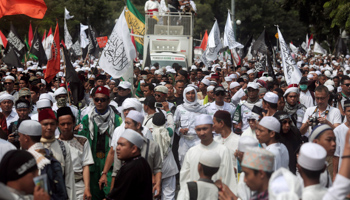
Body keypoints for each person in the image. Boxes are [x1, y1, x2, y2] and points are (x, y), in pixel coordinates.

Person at [78, 86, 122, 200]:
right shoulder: (87, 119)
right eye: (96, 99)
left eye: (102, 100)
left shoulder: (117, 119)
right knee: (93, 194)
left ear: (108, 101)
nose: (99, 102)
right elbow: (82, 141)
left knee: (110, 194)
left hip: (109, 161)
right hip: (92, 162)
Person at [180, 114, 237, 194]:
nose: (202, 133)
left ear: (212, 128)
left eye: (205, 129)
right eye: (198, 130)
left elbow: (230, 179)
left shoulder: (223, 150)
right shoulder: (191, 152)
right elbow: (184, 180)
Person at [110, 110, 162, 198]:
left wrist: (158, 184)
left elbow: (157, 168)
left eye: (128, 123)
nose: (125, 127)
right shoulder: (121, 147)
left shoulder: (153, 146)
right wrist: (112, 193)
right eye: (125, 123)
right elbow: (116, 172)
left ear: (138, 125)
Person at [57, 107, 94, 200]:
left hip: (78, 186)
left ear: (74, 123)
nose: (66, 127)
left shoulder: (83, 141)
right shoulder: (53, 143)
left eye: (69, 123)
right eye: (63, 124)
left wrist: (87, 188)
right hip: (59, 186)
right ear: (58, 125)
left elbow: (85, 166)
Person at [39, 108, 76, 200]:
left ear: (56, 125)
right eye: (45, 124)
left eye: (52, 124)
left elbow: (69, 177)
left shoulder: (63, 146)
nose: (49, 127)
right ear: (39, 125)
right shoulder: (34, 147)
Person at [106, 129, 153, 200]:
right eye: (118, 144)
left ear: (134, 149)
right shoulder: (142, 162)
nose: (117, 148)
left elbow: (119, 195)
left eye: (122, 145)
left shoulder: (131, 168)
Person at [174, 86, 207, 166]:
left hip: (198, 139)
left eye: (192, 93)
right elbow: (175, 124)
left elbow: (207, 125)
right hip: (184, 140)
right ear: (185, 95)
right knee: (184, 162)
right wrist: (180, 130)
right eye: (188, 93)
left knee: (198, 162)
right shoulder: (180, 108)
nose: (191, 95)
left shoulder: (202, 109)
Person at [151, 105, 179, 200]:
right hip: (169, 166)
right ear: (164, 122)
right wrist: (168, 111)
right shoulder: (169, 132)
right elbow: (172, 123)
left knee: (154, 193)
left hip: (155, 167)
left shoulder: (149, 134)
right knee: (169, 194)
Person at [333, 99, 350, 177]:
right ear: (344, 112)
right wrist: (334, 175)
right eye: (349, 111)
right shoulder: (338, 130)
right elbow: (336, 155)